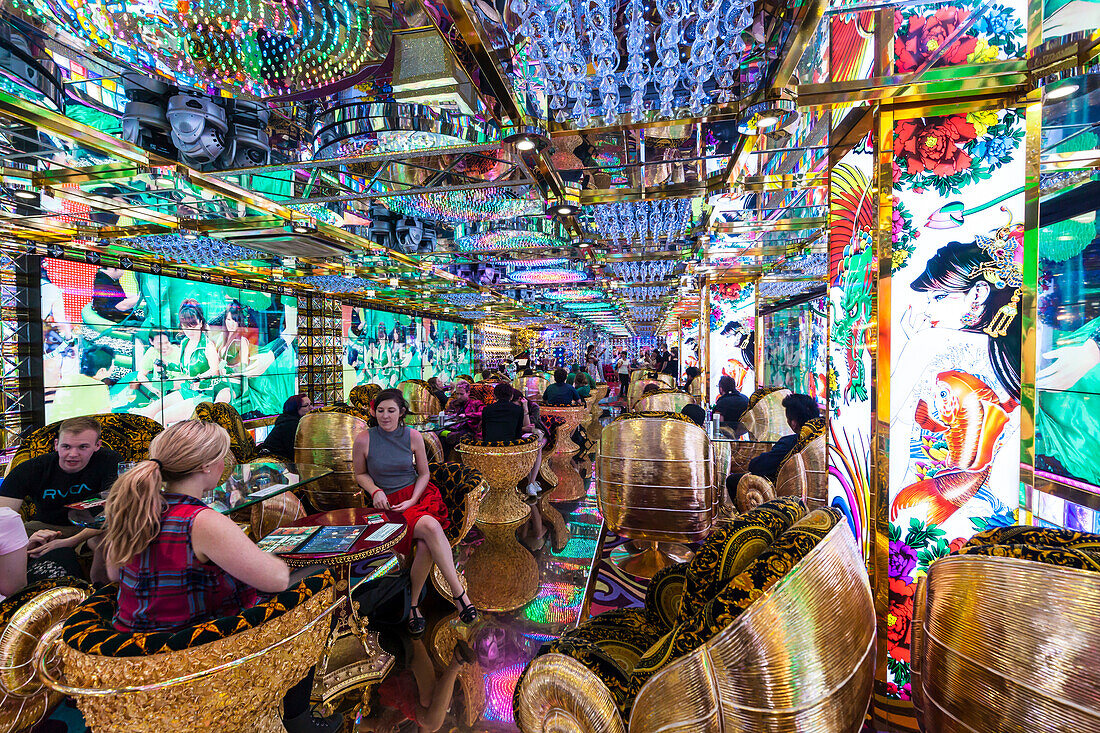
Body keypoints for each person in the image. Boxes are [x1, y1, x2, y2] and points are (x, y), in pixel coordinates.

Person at [101, 420, 340, 733]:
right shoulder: (202, 521)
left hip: (130, 649)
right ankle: (297, 715)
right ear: (209, 467)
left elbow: (111, 573)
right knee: (320, 576)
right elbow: (277, 580)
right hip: (198, 650)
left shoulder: (135, 508)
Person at [353, 390, 476, 637]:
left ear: (401, 413)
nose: (385, 416)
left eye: (391, 410)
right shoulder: (364, 439)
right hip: (387, 506)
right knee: (428, 538)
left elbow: (424, 473)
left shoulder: (413, 436)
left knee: (428, 534)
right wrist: (375, 490)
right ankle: (449, 598)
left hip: (418, 497)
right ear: (373, 412)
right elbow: (360, 474)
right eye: (380, 410)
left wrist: (412, 499)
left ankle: (443, 597)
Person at [0, 416, 120, 541]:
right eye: (66, 447)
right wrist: (26, 542)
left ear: (97, 445)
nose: (73, 454)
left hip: (93, 527)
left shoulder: (110, 461)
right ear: (56, 445)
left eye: (83, 447)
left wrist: (69, 542)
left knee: (107, 538)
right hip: (45, 527)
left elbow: (117, 510)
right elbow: (3, 517)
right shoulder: (32, 468)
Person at [725, 394, 819, 500]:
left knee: (732, 480)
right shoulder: (821, 440)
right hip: (817, 493)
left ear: (793, 423)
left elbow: (757, 466)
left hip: (788, 497)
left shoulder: (789, 443)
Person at [481, 383, 543, 496]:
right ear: (510, 396)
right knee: (537, 444)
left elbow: (485, 433)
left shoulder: (486, 409)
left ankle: (531, 483)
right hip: (512, 449)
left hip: (489, 449)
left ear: (495, 396)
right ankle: (531, 483)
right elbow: (517, 433)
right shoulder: (517, 410)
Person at [260, 394, 312, 461]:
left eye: (310, 404)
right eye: (306, 406)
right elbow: (293, 451)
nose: (311, 408)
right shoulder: (290, 424)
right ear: (295, 408)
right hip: (272, 460)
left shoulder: (293, 420)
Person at [440, 380, 483, 449]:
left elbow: (483, 413)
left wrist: (467, 415)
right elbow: (446, 414)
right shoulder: (453, 403)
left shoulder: (475, 403)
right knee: (439, 437)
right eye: (457, 394)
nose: (458, 397)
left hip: (469, 430)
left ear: (468, 393)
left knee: (452, 438)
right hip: (452, 428)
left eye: (461, 394)